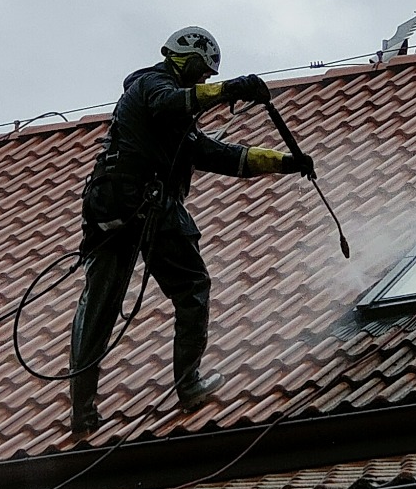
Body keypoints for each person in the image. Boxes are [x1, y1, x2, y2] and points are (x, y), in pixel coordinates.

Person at [68, 26, 314, 436]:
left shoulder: (177, 125)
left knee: (127, 300)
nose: (205, 79)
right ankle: (170, 389)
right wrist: (231, 90)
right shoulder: (152, 85)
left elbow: (221, 155)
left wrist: (286, 163)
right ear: (186, 58)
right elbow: (172, 103)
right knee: (158, 294)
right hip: (136, 204)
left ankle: (117, 402)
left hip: (125, 206)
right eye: (203, 71)